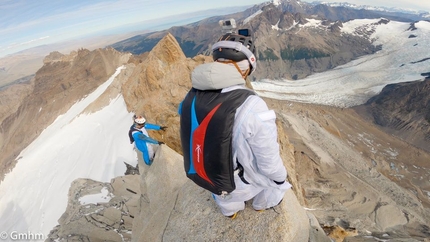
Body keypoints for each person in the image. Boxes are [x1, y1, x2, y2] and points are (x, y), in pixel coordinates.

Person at [179, 29, 291, 219]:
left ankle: (230, 212)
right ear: (246, 67)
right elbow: (268, 159)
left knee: (227, 200)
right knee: (276, 186)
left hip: (210, 178)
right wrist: (281, 179)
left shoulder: (191, 96)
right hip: (242, 184)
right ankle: (260, 206)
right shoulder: (251, 105)